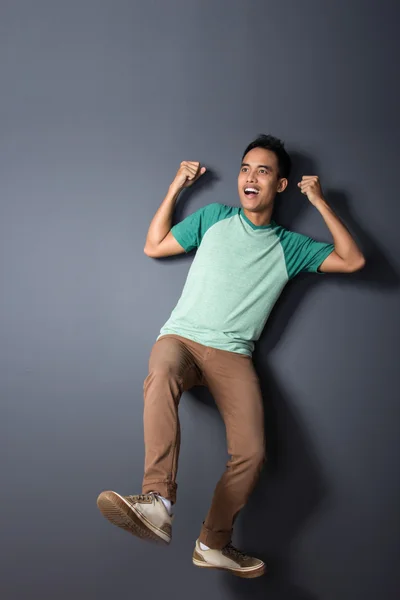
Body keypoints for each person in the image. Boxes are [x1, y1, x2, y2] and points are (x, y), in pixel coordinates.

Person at [97, 134, 365, 578]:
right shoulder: (214, 218)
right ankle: (158, 503)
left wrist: (318, 202)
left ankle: (213, 543)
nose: (250, 177)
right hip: (181, 340)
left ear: (280, 185)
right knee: (160, 374)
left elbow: (353, 260)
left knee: (253, 454)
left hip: (233, 355)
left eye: (263, 170)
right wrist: (175, 188)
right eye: (245, 169)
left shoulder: (291, 246)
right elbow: (154, 245)